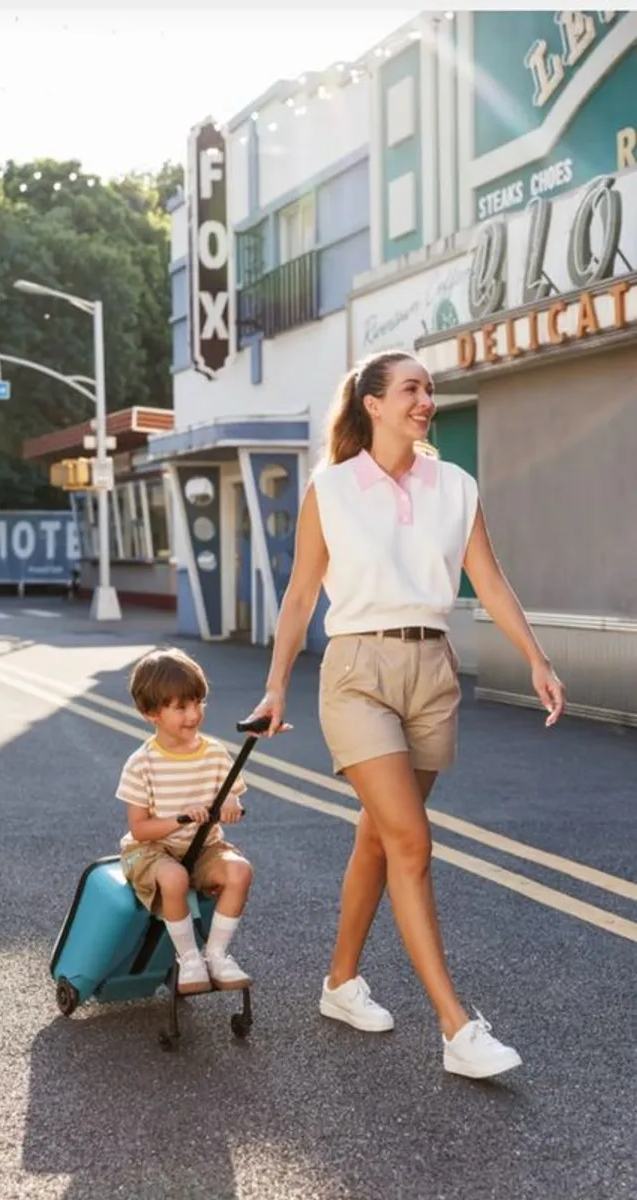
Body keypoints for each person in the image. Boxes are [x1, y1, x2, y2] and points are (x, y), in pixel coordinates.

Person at [249, 349, 566, 1080]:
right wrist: (275, 687)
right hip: (357, 672)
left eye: (430, 389)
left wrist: (538, 659)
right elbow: (301, 596)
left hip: (432, 673)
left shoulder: (455, 485)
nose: (427, 400)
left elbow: (487, 579)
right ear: (373, 403)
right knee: (412, 842)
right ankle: (457, 1029)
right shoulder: (330, 488)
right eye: (412, 389)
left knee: (379, 839)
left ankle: (340, 984)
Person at [116, 647, 255, 995]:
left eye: (198, 703)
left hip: (202, 846)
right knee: (174, 877)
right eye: (181, 707)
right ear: (151, 713)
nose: (194, 714)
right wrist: (180, 818)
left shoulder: (214, 752)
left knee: (240, 871)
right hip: (151, 850)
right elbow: (139, 828)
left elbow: (231, 792)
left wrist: (232, 804)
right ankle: (189, 959)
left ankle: (216, 955)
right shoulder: (141, 763)